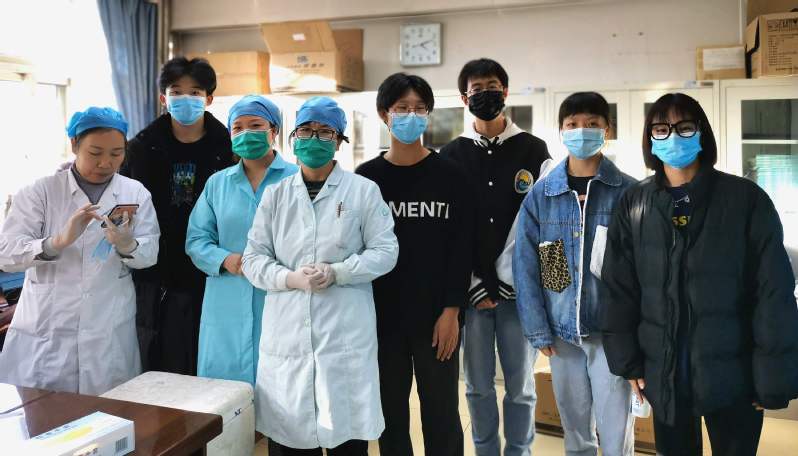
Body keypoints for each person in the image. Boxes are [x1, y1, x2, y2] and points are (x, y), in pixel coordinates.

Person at [600, 93, 798, 456]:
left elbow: (774, 293)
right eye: (662, 129)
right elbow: (619, 289)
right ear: (650, 138)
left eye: (685, 127)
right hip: (665, 372)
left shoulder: (745, 200)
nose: (673, 136)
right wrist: (628, 361)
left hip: (735, 375)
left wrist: (770, 377)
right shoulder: (635, 202)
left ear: (702, 132)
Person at [241, 96, 399, 455]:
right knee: (289, 441)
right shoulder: (275, 196)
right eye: (306, 131)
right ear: (292, 138)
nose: (314, 139)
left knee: (347, 441)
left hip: (344, 335)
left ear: (339, 141)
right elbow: (253, 258)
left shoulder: (363, 191)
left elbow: (386, 252)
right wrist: (289, 279)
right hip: (287, 336)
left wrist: (339, 272)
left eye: (325, 132)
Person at [0, 107, 160, 395]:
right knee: (43, 414)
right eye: (95, 152)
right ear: (74, 144)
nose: (106, 163)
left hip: (108, 329)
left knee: (109, 413)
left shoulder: (135, 193)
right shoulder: (41, 192)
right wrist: (56, 242)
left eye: (116, 153)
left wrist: (127, 245)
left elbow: (149, 256)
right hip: (47, 331)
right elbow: (6, 254)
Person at [356, 73, 472, 456]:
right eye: (401, 108)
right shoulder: (366, 180)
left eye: (419, 109)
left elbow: (461, 250)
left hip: (437, 320)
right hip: (382, 320)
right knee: (390, 417)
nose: (411, 115)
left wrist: (452, 311)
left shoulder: (451, 176)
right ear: (383, 114)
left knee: (442, 415)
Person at [514, 92, 636, 456]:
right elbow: (527, 265)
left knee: (616, 435)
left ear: (607, 130)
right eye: (572, 124)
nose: (582, 131)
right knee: (576, 433)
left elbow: (641, 269)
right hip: (562, 336)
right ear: (561, 131)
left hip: (612, 334)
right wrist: (537, 328)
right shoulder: (542, 195)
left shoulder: (629, 192)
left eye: (592, 124)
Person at [439, 58, 550, 456]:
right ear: (463, 97)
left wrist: (515, 282)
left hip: (519, 295)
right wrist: (473, 284)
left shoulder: (534, 150)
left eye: (492, 86)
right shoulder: (451, 154)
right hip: (472, 296)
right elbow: (448, 231)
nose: (485, 94)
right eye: (476, 88)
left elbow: (543, 226)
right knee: (477, 387)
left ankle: (519, 451)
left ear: (505, 91)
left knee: (521, 387)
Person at [121, 56, 233, 375]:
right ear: (163, 98)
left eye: (195, 92)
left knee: (209, 359)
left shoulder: (228, 148)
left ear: (209, 99)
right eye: (177, 92)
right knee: (158, 359)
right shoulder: (140, 149)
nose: (186, 99)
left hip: (213, 268)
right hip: (155, 274)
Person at [186, 95, 298, 387]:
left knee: (281, 390)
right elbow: (197, 238)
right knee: (224, 395)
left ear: (274, 131)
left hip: (279, 296)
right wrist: (225, 260)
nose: (246, 132)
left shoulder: (297, 179)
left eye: (256, 125)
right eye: (238, 127)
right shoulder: (218, 183)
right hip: (226, 300)